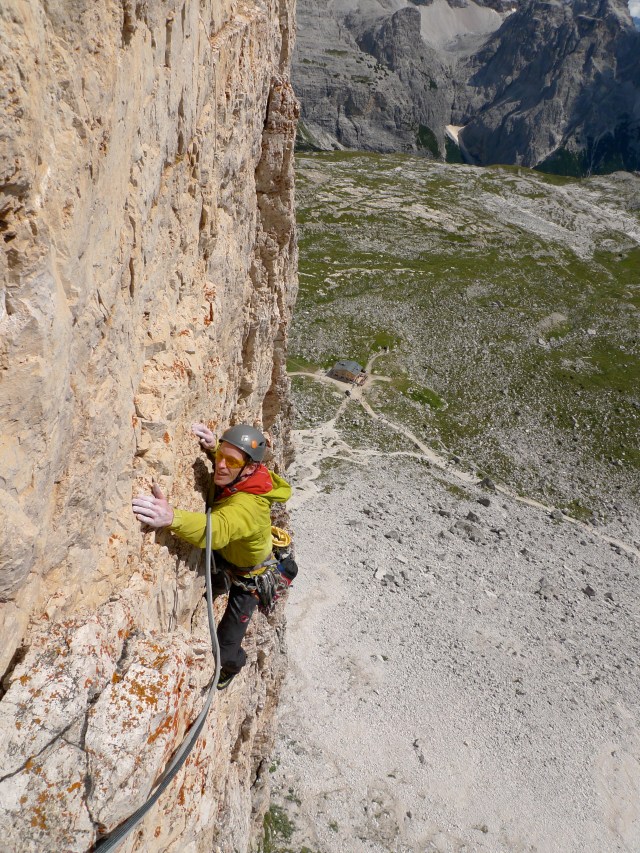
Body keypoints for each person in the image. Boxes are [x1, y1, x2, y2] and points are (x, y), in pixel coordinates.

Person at [132, 423, 292, 690]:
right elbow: (230, 463)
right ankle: (221, 583)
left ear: (250, 468)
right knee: (213, 584)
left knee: (226, 648)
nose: (221, 465)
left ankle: (231, 668)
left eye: (230, 461)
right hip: (231, 557)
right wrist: (214, 448)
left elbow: (217, 531)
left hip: (250, 577)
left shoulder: (247, 506)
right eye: (221, 457)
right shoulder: (248, 475)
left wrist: (171, 518)